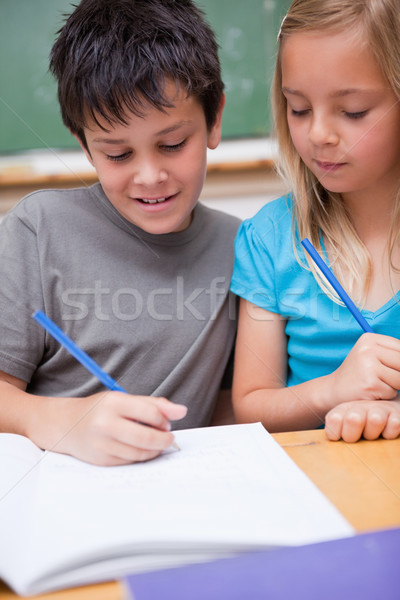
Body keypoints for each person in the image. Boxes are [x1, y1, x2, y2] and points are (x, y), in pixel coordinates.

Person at [0, 0, 240, 465]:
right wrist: (67, 421)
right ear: (85, 147)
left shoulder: (242, 247)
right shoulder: (38, 229)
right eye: (117, 154)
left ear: (214, 120)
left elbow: (231, 405)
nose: (149, 176)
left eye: (172, 144)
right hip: (61, 494)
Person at [230, 0, 400, 442]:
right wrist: (333, 391)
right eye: (299, 109)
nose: (319, 134)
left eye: (354, 111)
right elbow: (250, 406)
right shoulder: (269, 239)